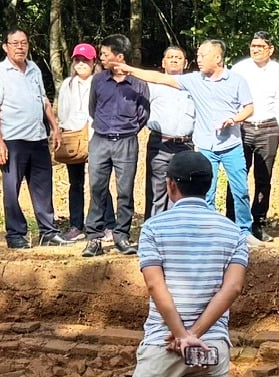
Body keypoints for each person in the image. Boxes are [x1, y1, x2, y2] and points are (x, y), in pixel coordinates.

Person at [125, 149, 250, 377]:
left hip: (162, 346)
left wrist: (180, 333)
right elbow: (233, 288)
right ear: (210, 187)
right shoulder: (233, 233)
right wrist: (195, 334)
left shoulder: (154, 228)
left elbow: (155, 286)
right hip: (211, 348)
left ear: (170, 186)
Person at [132, 41, 253, 222]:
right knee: (206, 193)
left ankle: (244, 230)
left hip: (229, 145)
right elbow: (158, 78)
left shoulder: (236, 80)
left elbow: (249, 108)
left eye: (203, 56)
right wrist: (128, 68)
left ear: (218, 58)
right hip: (203, 146)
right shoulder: (194, 80)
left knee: (240, 191)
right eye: (198, 56)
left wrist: (234, 119)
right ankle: (208, 227)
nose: (199, 60)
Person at [0, 29, 62, 250]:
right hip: (12, 140)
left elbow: (45, 101)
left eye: (24, 43)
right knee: (11, 189)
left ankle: (48, 232)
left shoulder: (34, 69)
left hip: (37, 137)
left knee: (43, 188)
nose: (20, 47)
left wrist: (55, 127)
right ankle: (16, 234)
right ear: (5, 47)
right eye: (15, 43)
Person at [84, 38, 151, 256]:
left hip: (126, 142)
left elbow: (143, 114)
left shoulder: (139, 83)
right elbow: (93, 108)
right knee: (97, 190)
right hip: (100, 140)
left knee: (125, 192)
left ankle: (122, 236)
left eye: (105, 54)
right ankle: (94, 238)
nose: (101, 58)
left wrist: (127, 130)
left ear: (120, 57)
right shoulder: (99, 80)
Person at [237, 32, 279, 239]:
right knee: (238, 175)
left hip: (268, 129)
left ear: (270, 49)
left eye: (260, 46)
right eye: (253, 45)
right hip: (243, 128)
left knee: (263, 177)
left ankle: (258, 222)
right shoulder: (240, 69)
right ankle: (235, 221)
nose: (256, 49)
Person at [143, 45, 198, 217]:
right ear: (163, 62)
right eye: (170, 57)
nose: (174, 60)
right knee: (156, 190)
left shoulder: (193, 85)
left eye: (179, 58)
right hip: (160, 144)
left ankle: (176, 231)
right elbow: (141, 109)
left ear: (186, 63)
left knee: (182, 191)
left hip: (185, 145)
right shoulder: (152, 85)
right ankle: (153, 230)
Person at [54, 44, 98, 242]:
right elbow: (62, 111)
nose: (81, 64)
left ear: (93, 62)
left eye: (85, 60)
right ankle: (76, 225)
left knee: (99, 183)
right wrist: (65, 132)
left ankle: (101, 224)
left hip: (97, 136)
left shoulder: (100, 82)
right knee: (76, 183)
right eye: (77, 60)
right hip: (74, 137)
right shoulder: (67, 84)